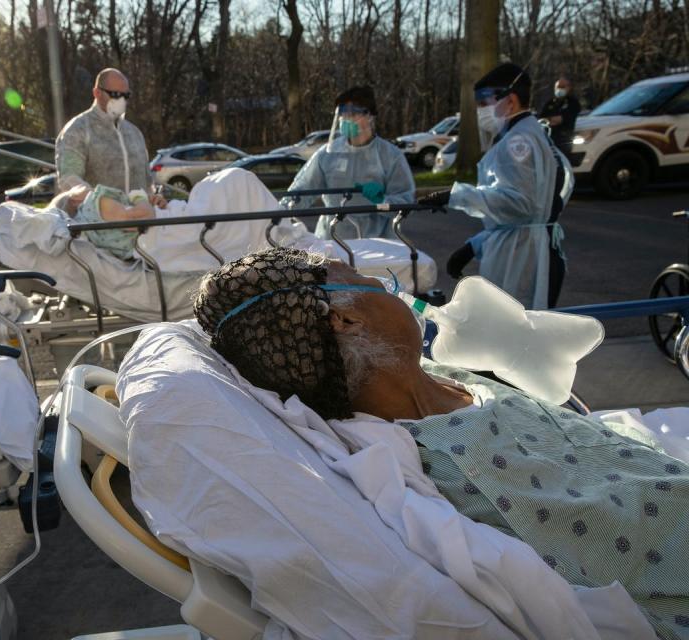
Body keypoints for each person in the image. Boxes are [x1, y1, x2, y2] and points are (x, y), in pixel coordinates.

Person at [192, 246, 689, 640]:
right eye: (370, 280)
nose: (396, 288)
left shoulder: (436, 375)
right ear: (344, 321)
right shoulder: (457, 462)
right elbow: (635, 551)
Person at [421, 63, 571, 309]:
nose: (481, 111)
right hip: (525, 251)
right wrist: (476, 244)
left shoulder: (517, 142)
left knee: (513, 337)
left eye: (484, 103)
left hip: (522, 260)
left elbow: (519, 205)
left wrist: (456, 195)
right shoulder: (528, 133)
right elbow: (522, 213)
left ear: (510, 100)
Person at [280, 86, 415, 241]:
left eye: (353, 113)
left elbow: (406, 204)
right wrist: (278, 214)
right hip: (332, 240)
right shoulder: (328, 154)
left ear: (370, 116)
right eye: (343, 113)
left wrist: (382, 201)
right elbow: (301, 190)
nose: (346, 118)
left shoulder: (390, 156)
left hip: (378, 245)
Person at [54, 68, 166, 210]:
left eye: (126, 95)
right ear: (97, 93)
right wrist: (100, 204)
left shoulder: (134, 133)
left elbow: (147, 183)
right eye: (115, 94)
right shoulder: (77, 130)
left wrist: (153, 198)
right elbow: (69, 178)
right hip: (95, 226)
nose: (121, 100)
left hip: (139, 223)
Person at [51, 183, 154, 260]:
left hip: (146, 252)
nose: (89, 187)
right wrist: (140, 198)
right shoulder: (93, 202)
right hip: (157, 235)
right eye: (81, 187)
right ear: (74, 199)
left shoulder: (86, 231)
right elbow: (144, 217)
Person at [540, 77, 582, 156]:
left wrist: (551, 120)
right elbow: (542, 120)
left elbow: (563, 119)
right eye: (558, 87)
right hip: (549, 140)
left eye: (562, 87)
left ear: (568, 88)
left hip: (564, 141)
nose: (559, 89)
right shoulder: (550, 103)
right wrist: (551, 120)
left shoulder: (573, 103)